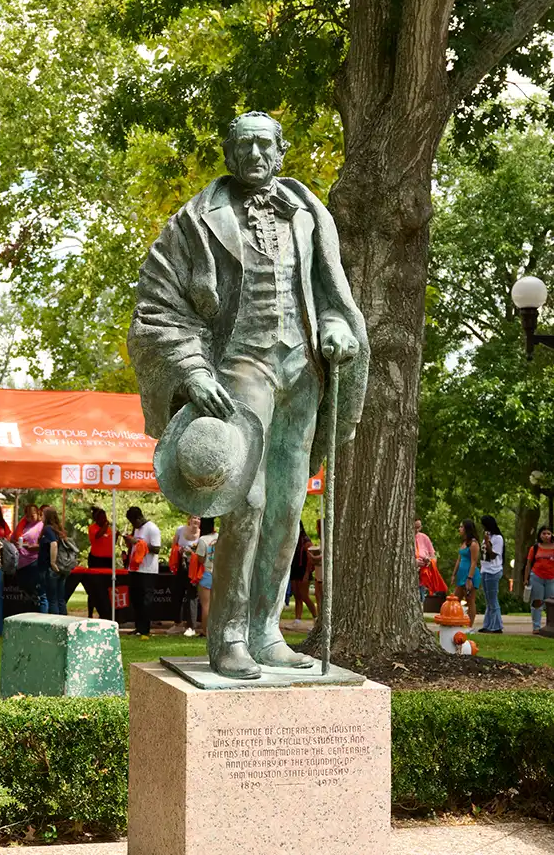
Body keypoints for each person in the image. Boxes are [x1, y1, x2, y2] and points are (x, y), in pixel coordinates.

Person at [128, 110, 368, 680]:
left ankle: (266, 630)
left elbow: (331, 292)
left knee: (287, 504)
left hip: (302, 365)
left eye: (266, 145)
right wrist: (190, 368)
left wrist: (336, 325)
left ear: (281, 152)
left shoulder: (311, 215)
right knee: (249, 502)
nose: (255, 155)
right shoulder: (194, 221)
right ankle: (229, 634)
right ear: (229, 153)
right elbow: (154, 308)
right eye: (244, 145)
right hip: (241, 366)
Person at [125, 505, 161, 638]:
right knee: (136, 599)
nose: (133, 524)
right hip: (135, 568)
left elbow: (156, 549)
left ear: (139, 518)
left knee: (146, 600)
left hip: (148, 570)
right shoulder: (136, 529)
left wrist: (138, 542)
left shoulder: (152, 529)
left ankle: (145, 629)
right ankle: (138, 627)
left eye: (134, 521)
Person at [169, 515, 201, 635]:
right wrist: (179, 551)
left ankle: (191, 627)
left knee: (192, 597)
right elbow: (174, 546)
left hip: (193, 568)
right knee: (177, 594)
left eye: (199, 519)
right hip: (180, 565)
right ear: (189, 519)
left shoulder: (202, 535)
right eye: (194, 518)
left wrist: (191, 552)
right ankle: (177, 623)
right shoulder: (180, 530)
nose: (196, 521)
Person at [523, 526, 554, 633]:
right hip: (536, 577)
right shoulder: (535, 548)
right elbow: (528, 564)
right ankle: (536, 627)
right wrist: (526, 578)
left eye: (548, 533)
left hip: (552, 578)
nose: (546, 536)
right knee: (537, 602)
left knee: (551, 603)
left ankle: (550, 625)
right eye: (544, 533)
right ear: (540, 535)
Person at [38, 507, 68, 615]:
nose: (40, 517)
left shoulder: (48, 529)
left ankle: (55, 625)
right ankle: (64, 624)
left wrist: (52, 562)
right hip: (61, 567)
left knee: (52, 599)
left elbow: (53, 544)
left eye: (42, 515)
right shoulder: (58, 529)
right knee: (61, 598)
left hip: (50, 568)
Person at [451, 519, 481, 627]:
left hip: (470, 575)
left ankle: (469, 625)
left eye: (461, 527)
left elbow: (473, 562)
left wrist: (469, 578)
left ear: (467, 529)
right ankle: (455, 621)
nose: (459, 529)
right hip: (461, 574)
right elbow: (459, 560)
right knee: (456, 599)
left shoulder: (473, 543)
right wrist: (454, 574)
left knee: (470, 600)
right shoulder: (463, 543)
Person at [87, 505, 115, 620]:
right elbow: (97, 537)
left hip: (108, 560)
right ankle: (90, 612)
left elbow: (111, 542)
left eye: (105, 517)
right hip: (96, 559)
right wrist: (105, 526)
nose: (104, 519)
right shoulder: (93, 528)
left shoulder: (108, 529)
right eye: (101, 517)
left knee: (106, 587)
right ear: (96, 519)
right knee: (94, 587)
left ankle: (106, 611)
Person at [479, 515, 504, 634]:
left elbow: (493, 555)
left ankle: (497, 625)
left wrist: (488, 542)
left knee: (493, 600)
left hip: (493, 570)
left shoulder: (498, 538)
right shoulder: (486, 538)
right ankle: (488, 624)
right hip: (485, 569)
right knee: (488, 600)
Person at [289, 521, 317, 626]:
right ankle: (297, 619)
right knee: (297, 595)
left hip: (303, 570)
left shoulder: (306, 541)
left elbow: (310, 559)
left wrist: (306, 573)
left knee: (304, 595)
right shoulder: (294, 540)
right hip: (295, 569)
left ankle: (315, 616)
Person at [195, 517, 218, 637]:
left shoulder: (203, 540)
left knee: (206, 605)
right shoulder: (220, 537)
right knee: (217, 605)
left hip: (207, 572)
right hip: (219, 574)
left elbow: (200, 558)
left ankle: (205, 631)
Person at [415, 518, 436, 603]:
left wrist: (429, 560)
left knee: (420, 600)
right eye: (414, 527)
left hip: (422, 575)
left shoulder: (424, 538)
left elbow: (433, 556)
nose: (416, 530)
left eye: (419, 527)